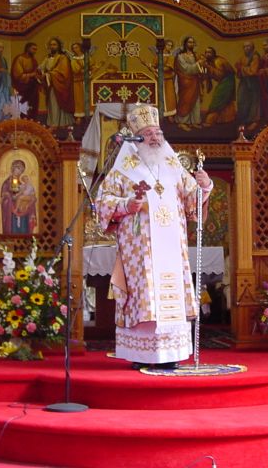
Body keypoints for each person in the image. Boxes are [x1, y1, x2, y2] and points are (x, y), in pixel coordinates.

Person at [95, 104, 213, 370]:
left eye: (158, 133)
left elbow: (192, 200)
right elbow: (102, 202)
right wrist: (127, 204)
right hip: (140, 251)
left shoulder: (172, 164)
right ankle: (143, 355)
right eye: (148, 134)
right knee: (145, 296)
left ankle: (172, 353)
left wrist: (205, 185)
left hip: (173, 248)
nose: (155, 138)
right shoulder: (123, 169)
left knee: (170, 299)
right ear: (136, 139)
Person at [39, 37, 75, 128]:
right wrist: (40, 72)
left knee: (58, 103)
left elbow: (64, 72)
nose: (52, 46)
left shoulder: (63, 58)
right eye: (51, 45)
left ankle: (62, 123)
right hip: (51, 85)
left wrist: (50, 74)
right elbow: (41, 68)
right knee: (52, 104)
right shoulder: (47, 58)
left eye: (54, 44)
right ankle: (53, 123)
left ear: (59, 46)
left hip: (60, 85)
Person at [174, 36, 204, 131]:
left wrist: (202, 66)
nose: (191, 44)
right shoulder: (180, 56)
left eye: (192, 42)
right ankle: (182, 122)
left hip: (195, 81)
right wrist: (197, 64)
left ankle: (194, 121)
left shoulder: (195, 55)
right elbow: (185, 68)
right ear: (185, 44)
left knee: (195, 100)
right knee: (185, 100)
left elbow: (201, 68)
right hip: (185, 82)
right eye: (189, 42)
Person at [201, 46, 236, 126]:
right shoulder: (209, 61)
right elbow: (207, 73)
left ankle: (210, 121)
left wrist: (208, 67)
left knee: (219, 98)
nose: (207, 54)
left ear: (214, 54)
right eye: (206, 52)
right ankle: (223, 119)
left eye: (210, 52)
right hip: (223, 81)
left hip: (227, 81)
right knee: (224, 99)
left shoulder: (218, 61)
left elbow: (220, 75)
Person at [0, 160, 37, 235]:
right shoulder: (7, 183)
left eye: (21, 170)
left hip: (23, 209)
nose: (19, 172)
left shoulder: (22, 184)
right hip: (11, 212)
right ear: (13, 168)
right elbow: (4, 196)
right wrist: (11, 197)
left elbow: (27, 192)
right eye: (18, 168)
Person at [235, 41, 262, 131]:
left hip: (253, 82)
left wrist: (241, 68)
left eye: (248, 46)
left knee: (253, 101)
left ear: (252, 47)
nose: (246, 48)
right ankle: (244, 121)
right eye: (245, 46)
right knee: (241, 100)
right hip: (244, 82)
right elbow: (237, 67)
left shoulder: (255, 57)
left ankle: (253, 121)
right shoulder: (242, 57)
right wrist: (240, 69)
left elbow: (253, 71)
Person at [11, 42, 42, 119]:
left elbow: (36, 72)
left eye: (36, 49)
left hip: (33, 87)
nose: (35, 51)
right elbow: (18, 75)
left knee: (33, 105)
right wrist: (31, 75)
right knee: (24, 106)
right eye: (33, 49)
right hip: (23, 87)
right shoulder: (20, 58)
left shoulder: (33, 60)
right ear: (28, 48)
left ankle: (31, 121)